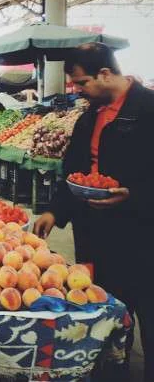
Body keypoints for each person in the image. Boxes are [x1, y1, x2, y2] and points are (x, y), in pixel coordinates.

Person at [33, 42, 154, 379]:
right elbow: (72, 172)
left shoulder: (149, 109)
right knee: (106, 318)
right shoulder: (88, 118)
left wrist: (135, 195)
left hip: (144, 239)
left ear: (105, 74)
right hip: (96, 238)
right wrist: (54, 212)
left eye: (82, 83)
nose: (78, 91)